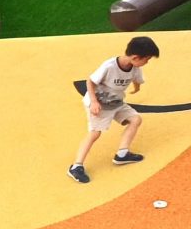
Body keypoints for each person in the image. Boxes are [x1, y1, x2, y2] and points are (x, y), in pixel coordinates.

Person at [68, 34, 159, 183]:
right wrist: (94, 102)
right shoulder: (109, 66)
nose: (147, 62)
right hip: (99, 103)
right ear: (136, 57)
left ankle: (122, 154)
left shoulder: (134, 67)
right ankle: (76, 166)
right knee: (95, 133)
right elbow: (90, 81)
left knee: (135, 119)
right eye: (146, 59)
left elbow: (136, 79)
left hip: (116, 102)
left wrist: (136, 88)